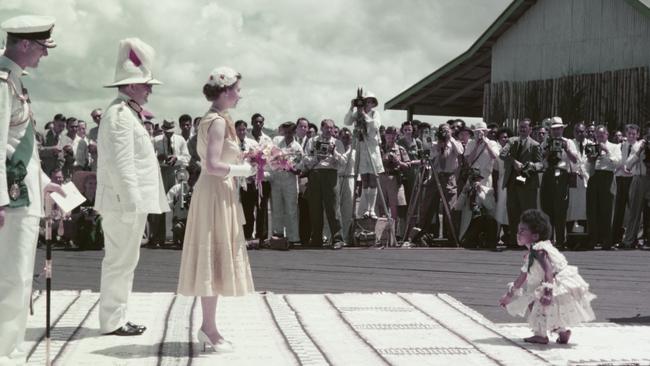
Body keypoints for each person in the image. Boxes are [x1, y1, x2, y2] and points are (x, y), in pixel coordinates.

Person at [0, 14, 65, 364]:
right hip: (10, 198)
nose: (45, 54)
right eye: (42, 47)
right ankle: (4, 351)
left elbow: (19, 146)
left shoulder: (13, 81)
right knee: (11, 275)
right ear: (24, 44)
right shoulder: (2, 83)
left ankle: (10, 345)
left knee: (19, 273)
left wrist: (44, 183)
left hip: (22, 191)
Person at [177, 66, 255, 353]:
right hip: (214, 192)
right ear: (224, 91)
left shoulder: (216, 119)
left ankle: (209, 326)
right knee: (212, 256)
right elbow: (211, 164)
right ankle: (208, 328)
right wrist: (242, 169)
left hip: (216, 191)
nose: (239, 94)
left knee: (214, 257)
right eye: (236, 89)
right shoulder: (218, 122)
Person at [95, 37, 169, 336]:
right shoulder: (120, 116)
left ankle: (117, 316)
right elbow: (121, 164)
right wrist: (130, 204)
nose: (150, 89)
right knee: (119, 261)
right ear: (130, 86)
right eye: (146, 84)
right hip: (121, 202)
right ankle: (112, 320)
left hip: (126, 201)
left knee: (126, 261)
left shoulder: (126, 113)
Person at [499, 209, 596, 344]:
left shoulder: (539, 250)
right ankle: (562, 333)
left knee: (538, 307)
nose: (518, 234)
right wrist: (509, 295)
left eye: (522, 230)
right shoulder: (532, 252)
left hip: (552, 283)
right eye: (518, 230)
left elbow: (548, 270)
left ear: (535, 236)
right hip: (550, 282)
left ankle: (541, 335)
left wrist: (548, 291)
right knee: (549, 310)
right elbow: (522, 276)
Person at [455, 121, 500, 249]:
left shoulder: (492, 143)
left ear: (486, 132)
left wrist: (485, 143)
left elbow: (495, 157)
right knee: (471, 209)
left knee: (489, 208)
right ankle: (469, 237)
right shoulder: (470, 143)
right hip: (473, 178)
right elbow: (468, 160)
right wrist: (476, 145)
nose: (479, 134)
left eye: (481, 131)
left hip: (487, 179)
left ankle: (489, 238)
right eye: (476, 132)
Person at [303, 119, 347, 249]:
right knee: (315, 207)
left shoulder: (337, 142)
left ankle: (337, 238)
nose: (329, 130)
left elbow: (344, 161)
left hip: (331, 174)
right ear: (321, 128)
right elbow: (305, 158)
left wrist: (334, 153)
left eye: (331, 128)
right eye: (327, 127)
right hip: (315, 173)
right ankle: (316, 238)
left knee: (333, 207)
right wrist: (318, 157)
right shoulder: (312, 141)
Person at [499, 118, 543, 247]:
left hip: (528, 184)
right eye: (521, 127)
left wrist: (531, 166)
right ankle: (514, 241)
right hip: (512, 183)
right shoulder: (512, 141)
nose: (522, 129)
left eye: (525, 127)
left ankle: (530, 241)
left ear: (530, 129)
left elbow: (540, 164)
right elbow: (502, 154)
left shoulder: (535, 145)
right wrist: (513, 161)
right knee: (513, 213)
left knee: (528, 214)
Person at [344, 89, 384, 219]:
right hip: (361, 149)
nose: (368, 104)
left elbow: (375, 125)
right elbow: (347, 121)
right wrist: (352, 107)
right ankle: (366, 208)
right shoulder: (358, 113)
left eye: (371, 102)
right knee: (365, 180)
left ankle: (371, 209)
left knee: (373, 179)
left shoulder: (375, 114)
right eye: (366, 101)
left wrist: (363, 115)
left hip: (372, 149)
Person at [539, 117, 577, 248]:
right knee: (547, 207)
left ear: (562, 129)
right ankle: (548, 240)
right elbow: (540, 160)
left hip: (562, 174)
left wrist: (566, 149)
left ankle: (560, 240)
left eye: (559, 129)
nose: (556, 132)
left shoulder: (568, 142)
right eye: (554, 129)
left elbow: (575, 159)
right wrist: (548, 151)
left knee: (560, 209)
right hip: (549, 173)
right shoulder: (546, 142)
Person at [585, 125, 621, 250]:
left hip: (607, 176)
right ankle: (593, 239)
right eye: (598, 135)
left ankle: (607, 241)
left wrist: (607, 151)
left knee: (607, 209)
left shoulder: (614, 146)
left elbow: (618, 163)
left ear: (607, 134)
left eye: (602, 134)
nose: (600, 137)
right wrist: (591, 160)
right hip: (594, 177)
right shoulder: (591, 146)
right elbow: (586, 166)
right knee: (592, 210)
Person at [270, 121, 303, 246]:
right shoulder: (277, 144)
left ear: (294, 132)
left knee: (291, 209)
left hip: (290, 180)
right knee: (277, 209)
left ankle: (293, 237)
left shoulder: (297, 147)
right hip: (277, 179)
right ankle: (277, 235)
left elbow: (299, 167)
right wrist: (278, 163)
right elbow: (271, 159)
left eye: (290, 132)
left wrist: (290, 168)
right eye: (286, 132)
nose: (288, 135)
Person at [621, 123, 650, 249]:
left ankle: (645, 239)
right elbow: (628, 163)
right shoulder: (639, 144)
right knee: (634, 210)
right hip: (639, 177)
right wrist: (640, 151)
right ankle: (629, 239)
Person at [378, 126, 410, 235]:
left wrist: (398, 162)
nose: (390, 137)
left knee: (395, 208)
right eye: (388, 135)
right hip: (382, 178)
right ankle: (382, 236)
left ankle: (395, 235)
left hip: (395, 179)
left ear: (396, 136)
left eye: (393, 135)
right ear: (385, 136)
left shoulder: (400, 149)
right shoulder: (379, 149)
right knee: (381, 208)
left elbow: (408, 165)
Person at [611, 124, 638, 246]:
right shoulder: (621, 146)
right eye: (629, 133)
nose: (631, 136)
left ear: (637, 135)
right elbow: (617, 160)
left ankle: (632, 237)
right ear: (626, 134)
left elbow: (633, 162)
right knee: (618, 210)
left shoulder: (639, 147)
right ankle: (615, 237)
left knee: (633, 209)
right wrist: (621, 167)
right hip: (621, 178)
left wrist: (625, 167)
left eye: (634, 134)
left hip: (632, 179)